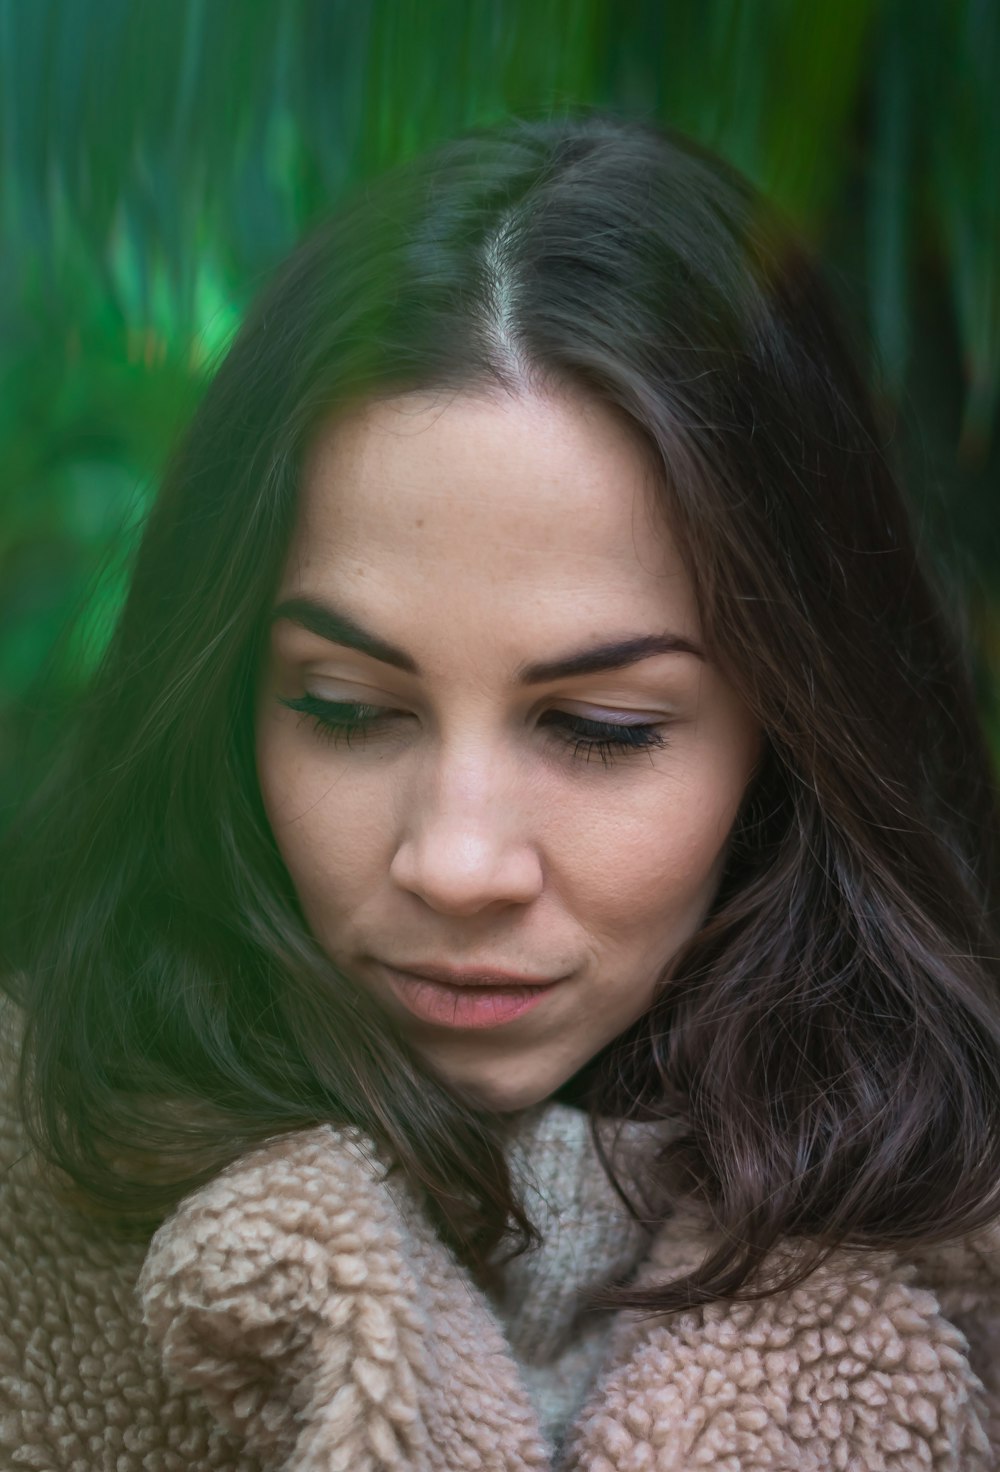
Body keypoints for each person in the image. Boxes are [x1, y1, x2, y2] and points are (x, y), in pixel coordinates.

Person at [2, 104, 1000, 1471]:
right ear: (225, 698)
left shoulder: (965, 1274)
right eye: (346, 711)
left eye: (597, 726)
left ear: (795, 728)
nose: (457, 862)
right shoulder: (33, 1198)